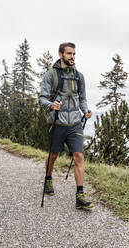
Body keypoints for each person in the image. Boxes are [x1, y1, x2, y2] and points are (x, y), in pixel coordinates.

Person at [39, 42, 93, 209]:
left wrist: (85, 110)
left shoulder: (79, 76)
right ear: (61, 54)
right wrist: (51, 106)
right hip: (57, 123)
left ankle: (80, 196)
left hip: (75, 123)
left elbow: (82, 98)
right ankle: (48, 179)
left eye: (74, 54)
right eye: (69, 54)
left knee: (78, 156)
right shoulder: (51, 75)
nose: (72, 57)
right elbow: (42, 98)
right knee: (54, 155)